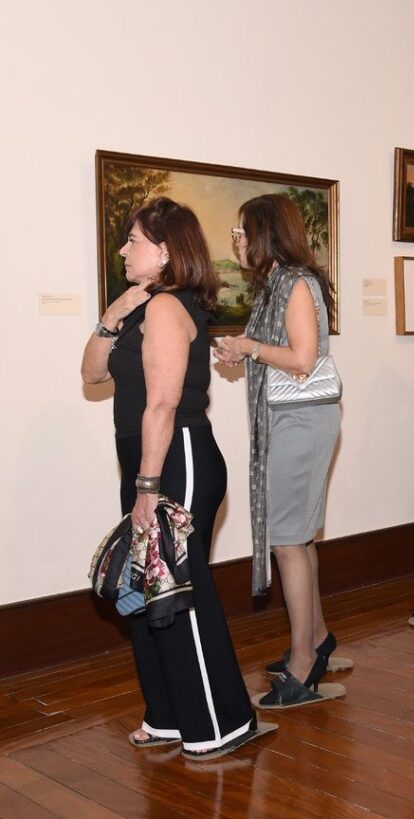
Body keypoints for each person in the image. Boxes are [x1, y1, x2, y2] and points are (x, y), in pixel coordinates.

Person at [81, 197, 267, 760]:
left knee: (180, 590)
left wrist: (146, 490)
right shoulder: (140, 307)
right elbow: (91, 371)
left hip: (175, 459)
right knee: (146, 588)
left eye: (132, 240)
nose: (122, 249)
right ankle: (167, 715)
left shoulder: (167, 310)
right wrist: (112, 314)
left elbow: (162, 405)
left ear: (164, 251)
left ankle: (221, 721)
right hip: (146, 461)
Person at [214, 194, 343, 707]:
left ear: (266, 234)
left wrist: (249, 348)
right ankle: (314, 639)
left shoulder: (294, 282)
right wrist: (241, 348)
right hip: (290, 420)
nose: (238, 243)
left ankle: (303, 664)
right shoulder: (277, 283)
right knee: (299, 539)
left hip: (300, 421)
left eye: (242, 233)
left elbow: (304, 358)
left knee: (288, 540)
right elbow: (281, 351)